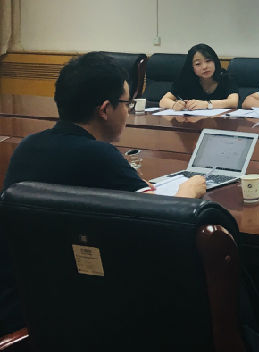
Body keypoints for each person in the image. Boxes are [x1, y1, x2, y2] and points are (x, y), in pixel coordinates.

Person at [0, 52, 205, 335]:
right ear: (105, 109)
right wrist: (188, 191)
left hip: (22, 297)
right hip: (71, 313)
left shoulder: (28, 146)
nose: (128, 112)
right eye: (127, 103)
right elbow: (164, 224)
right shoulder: (100, 155)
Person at [159, 43, 238, 110]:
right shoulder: (186, 79)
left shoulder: (226, 77)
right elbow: (163, 101)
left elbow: (234, 102)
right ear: (192, 67)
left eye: (208, 61)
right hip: (192, 121)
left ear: (215, 61)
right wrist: (174, 105)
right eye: (198, 64)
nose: (204, 67)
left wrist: (207, 104)